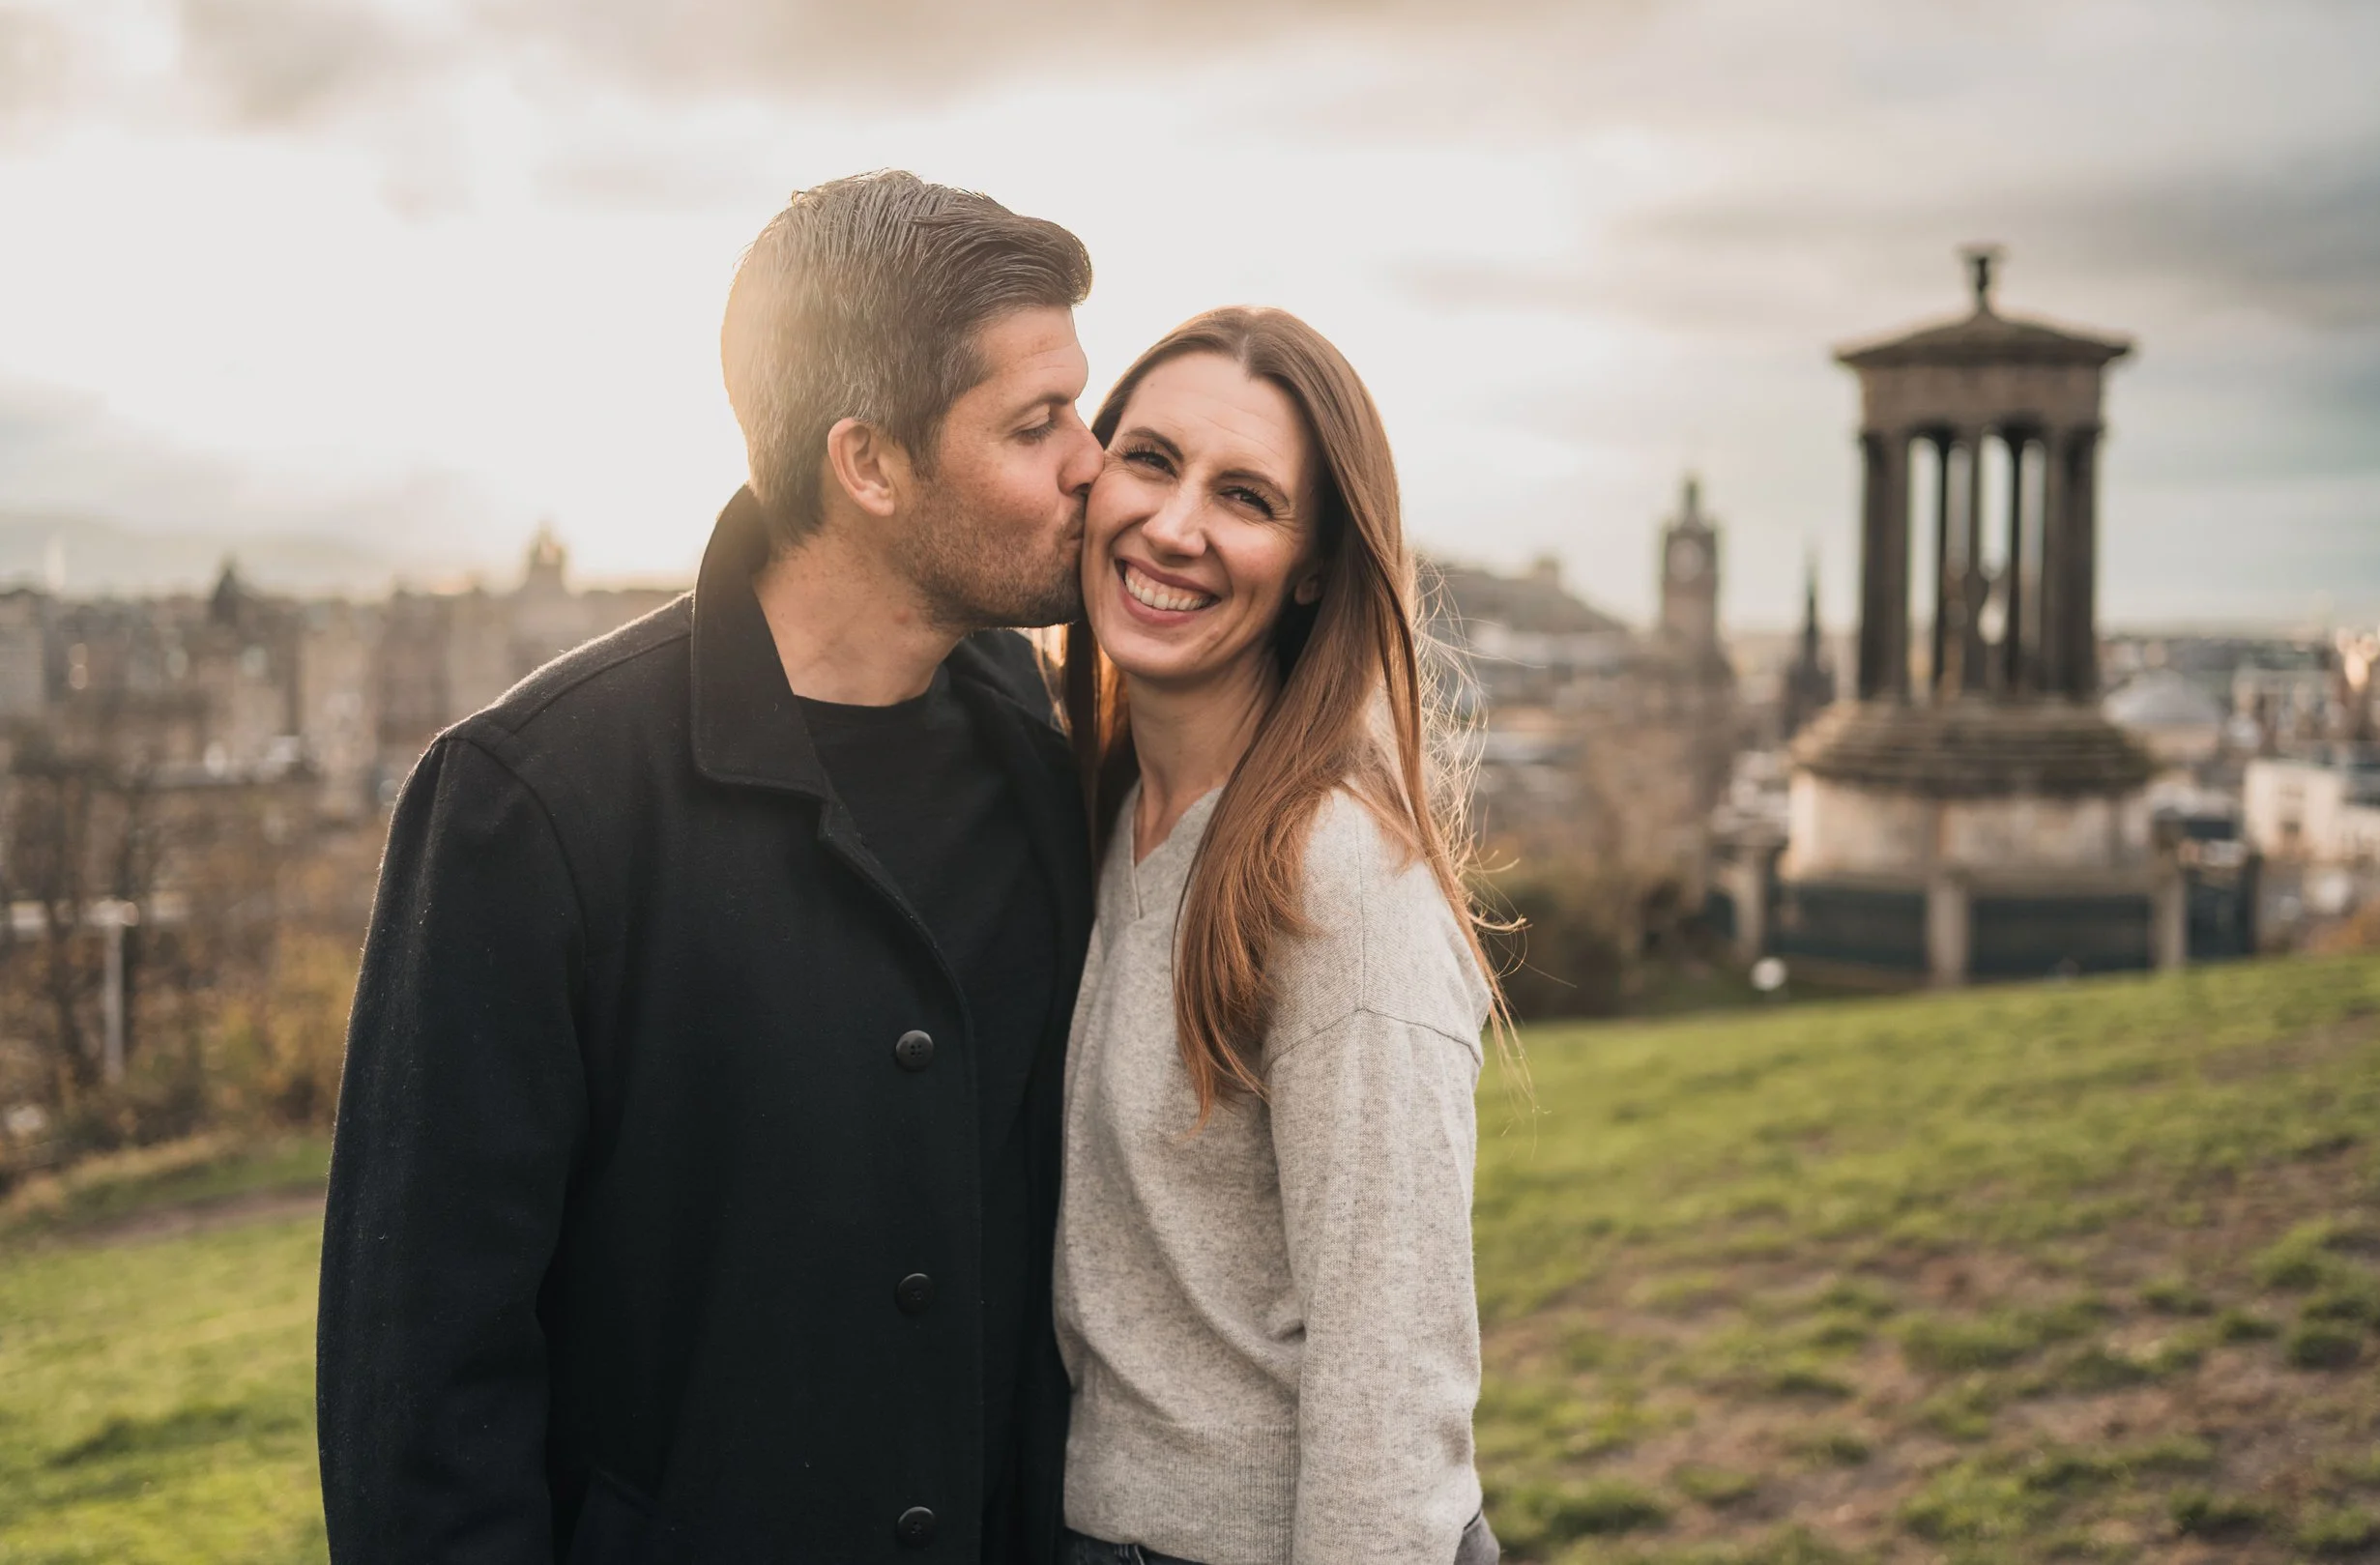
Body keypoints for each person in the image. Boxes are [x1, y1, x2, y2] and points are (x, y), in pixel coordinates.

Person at [316, 171, 1104, 1564]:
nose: (1091, 461)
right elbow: (424, 1390)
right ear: (869, 464)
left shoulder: (1039, 750)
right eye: (1038, 424)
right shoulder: (529, 803)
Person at [1052, 308, 1507, 1565]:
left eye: (1244, 495)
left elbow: (1393, 1418)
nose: (1176, 525)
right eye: (1149, 461)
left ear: (1312, 563)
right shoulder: (1105, 808)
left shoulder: (1337, 879)